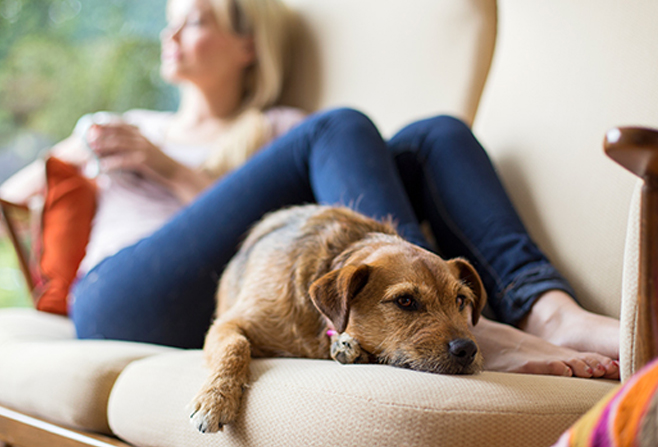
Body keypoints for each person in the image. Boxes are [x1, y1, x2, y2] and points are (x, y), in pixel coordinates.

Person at [0, 0, 619, 379]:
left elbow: (284, 250)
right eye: (170, 22)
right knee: (342, 125)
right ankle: (462, 333)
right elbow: (17, 194)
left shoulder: (280, 129)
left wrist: (173, 170)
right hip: (121, 294)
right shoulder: (133, 125)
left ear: (248, 44)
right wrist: (143, 165)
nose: (173, 33)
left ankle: (544, 307)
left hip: (248, 291)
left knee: (435, 134)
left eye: (194, 20)